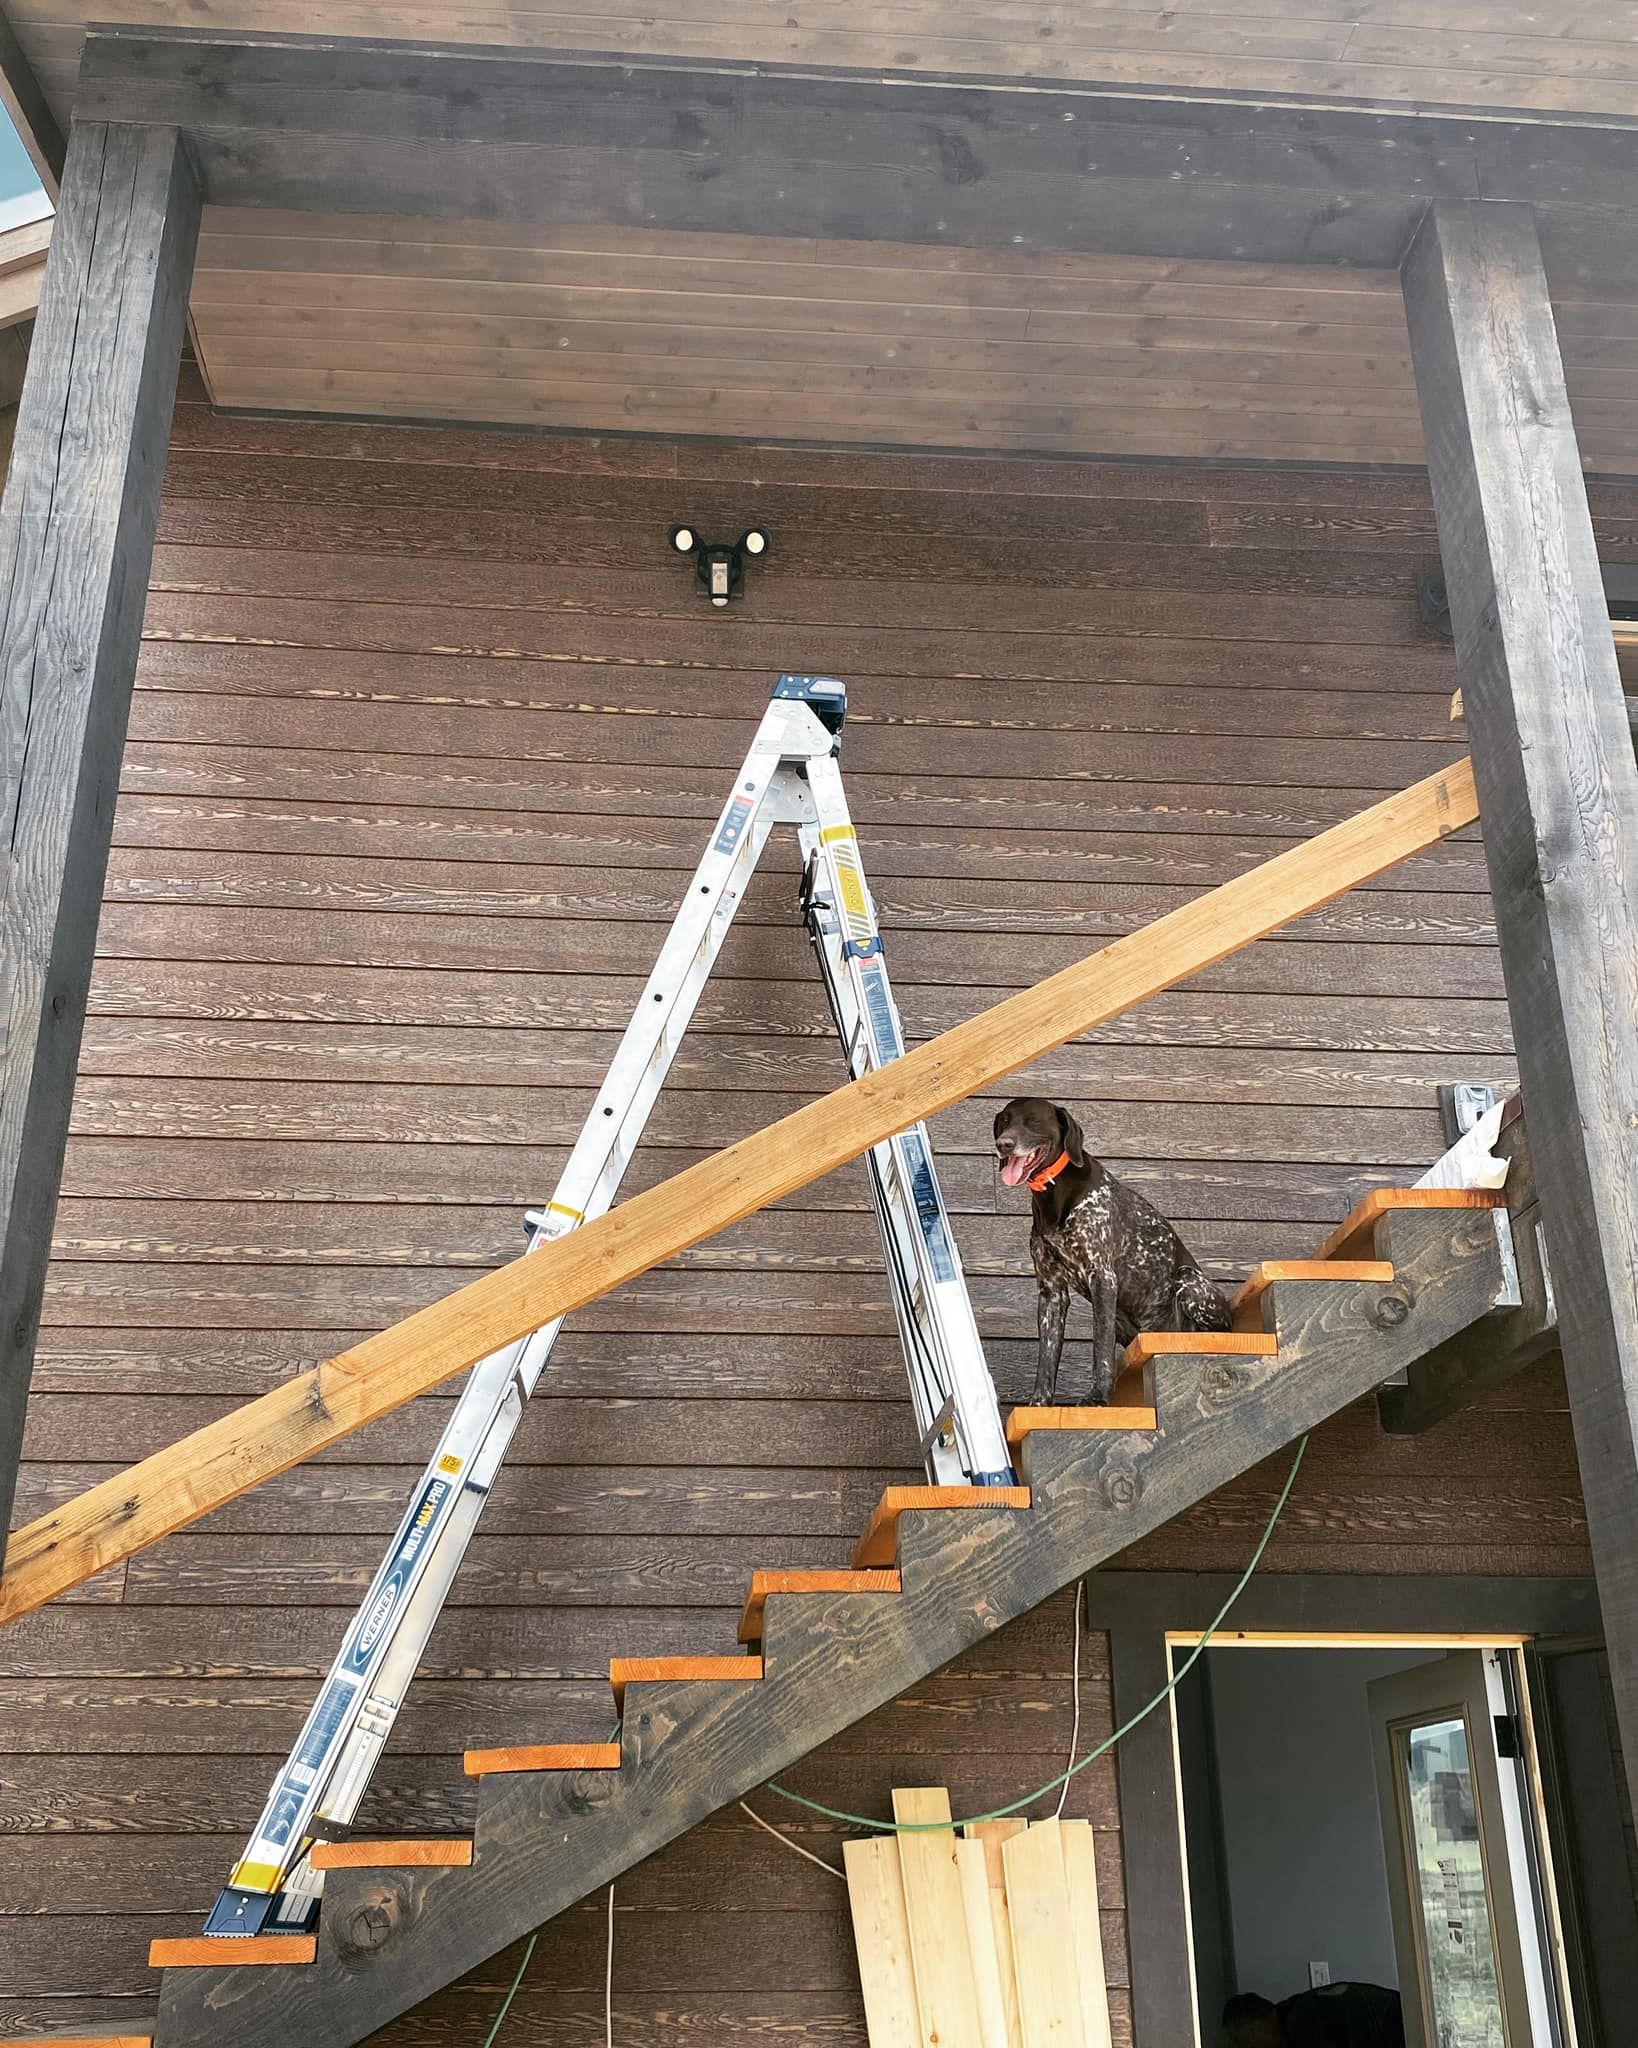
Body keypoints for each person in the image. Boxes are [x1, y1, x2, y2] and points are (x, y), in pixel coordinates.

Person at [1223, 1981, 1405, 2048]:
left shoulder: (1303, 2023)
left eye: (1241, 2039)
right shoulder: (1298, 2008)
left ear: (1259, 2023)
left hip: (1399, 2028)